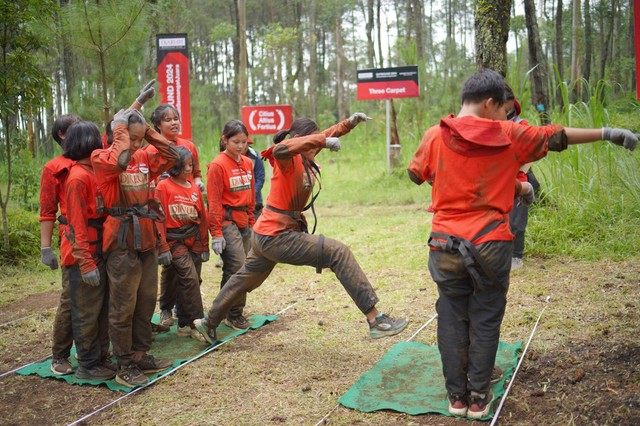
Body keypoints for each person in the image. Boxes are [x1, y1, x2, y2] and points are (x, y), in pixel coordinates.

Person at [407, 69, 637, 419]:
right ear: (489, 103)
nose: (506, 116)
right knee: (485, 318)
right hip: (490, 245)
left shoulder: (434, 135)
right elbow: (556, 136)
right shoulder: (510, 134)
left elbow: (416, 174)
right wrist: (607, 133)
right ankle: (478, 400)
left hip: (443, 244)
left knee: (451, 314)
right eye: (504, 109)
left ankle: (455, 399)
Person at [194, 113, 408, 344]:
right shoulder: (286, 158)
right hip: (276, 235)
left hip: (265, 233)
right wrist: (321, 141)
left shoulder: (308, 152)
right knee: (338, 252)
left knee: (241, 280)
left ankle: (208, 323)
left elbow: (327, 134)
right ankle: (376, 319)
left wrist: (349, 123)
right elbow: (282, 148)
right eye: (311, 142)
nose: (316, 146)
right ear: (298, 139)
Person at [91, 108, 178, 388]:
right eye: (133, 139)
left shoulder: (143, 156)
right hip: (121, 241)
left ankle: (140, 353)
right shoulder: (102, 157)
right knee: (122, 305)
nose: (138, 145)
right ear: (117, 134)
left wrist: (148, 132)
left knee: (145, 300)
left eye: (141, 139)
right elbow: (119, 160)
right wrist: (121, 132)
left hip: (147, 236)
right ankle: (124, 363)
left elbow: (172, 156)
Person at [61, 121, 114, 380]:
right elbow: (76, 225)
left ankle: (100, 357)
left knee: (102, 308)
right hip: (84, 255)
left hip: (99, 251)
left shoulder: (93, 172)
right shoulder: (77, 178)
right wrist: (85, 263)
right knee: (86, 312)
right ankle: (87, 364)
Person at [149, 104, 205, 327]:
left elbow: (197, 174)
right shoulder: (152, 149)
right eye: (167, 119)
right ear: (157, 126)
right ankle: (165, 308)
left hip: (188, 208)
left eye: (176, 118)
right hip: (163, 213)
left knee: (187, 269)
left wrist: (198, 184)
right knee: (169, 267)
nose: (173, 123)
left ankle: (185, 313)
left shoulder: (188, 146)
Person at [39, 113, 81, 375]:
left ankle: (95, 350)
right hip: (72, 238)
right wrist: (46, 248)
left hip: (101, 235)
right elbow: (47, 210)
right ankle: (60, 355)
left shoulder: (93, 160)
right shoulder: (54, 168)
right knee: (71, 296)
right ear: (63, 135)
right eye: (77, 128)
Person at [155, 146, 209, 340]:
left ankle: (184, 323)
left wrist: (204, 245)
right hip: (174, 240)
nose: (189, 169)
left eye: (191, 165)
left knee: (193, 279)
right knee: (189, 278)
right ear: (174, 166)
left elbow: (202, 217)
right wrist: (162, 247)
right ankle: (199, 322)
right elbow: (158, 218)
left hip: (193, 238)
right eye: (185, 165)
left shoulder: (194, 187)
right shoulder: (163, 187)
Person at [206, 119, 256, 330]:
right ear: (224, 140)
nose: (240, 146)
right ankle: (231, 313)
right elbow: (214, 202)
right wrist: (216, 233)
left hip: (244, 220)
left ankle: (232, 311)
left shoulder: (247, 163)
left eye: (244, 142)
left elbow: (252, 196)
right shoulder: (218, 165)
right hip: (226, 221)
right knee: (237, 266)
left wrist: (253, 223)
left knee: (245, 267)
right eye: (236, 141)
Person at [503, 92, 539, 270]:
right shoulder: (490, 124)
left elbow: (530, 152)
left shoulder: (520, 125)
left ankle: (516, 255)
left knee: (517, 218)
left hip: (520, 173)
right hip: (499, 177)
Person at [244, 136, 266, 221]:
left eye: (246, 144)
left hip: (255, 200)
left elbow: (260, 178)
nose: (243, 147)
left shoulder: (255, 156)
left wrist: (252, 194)